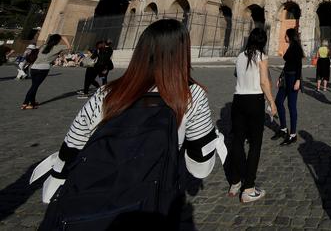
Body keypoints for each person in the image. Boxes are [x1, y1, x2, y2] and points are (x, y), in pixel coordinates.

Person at [31, 19, 225, 219]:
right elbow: (200, 165)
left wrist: (58, 176)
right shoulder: (189, 95)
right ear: (183, 53)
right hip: (152, 197)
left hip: (91, 195)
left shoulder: (106, 92)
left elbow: (73, 144)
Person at [228, 28, 277, 203]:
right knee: (255, 144)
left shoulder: (240, 56)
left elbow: (237, 75)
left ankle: (235, 181)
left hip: (238, 100)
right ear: (263, 42)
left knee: (237, 141)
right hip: (254, 100)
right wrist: (271, 102)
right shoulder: (262, 57)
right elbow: (264, 81)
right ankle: (248, 188)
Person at [272, 28, 303, 146]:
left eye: (285, 35)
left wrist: (298, 81)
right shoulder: (290, 47)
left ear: (289, 36)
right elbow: (287, 64)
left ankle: (293, 134)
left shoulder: (296, 47)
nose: (284, 37)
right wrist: (280, 76)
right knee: (278, 101)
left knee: (291, 106)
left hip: (293, 78)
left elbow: (298, 66)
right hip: (286, 77)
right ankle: (284, 129)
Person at [21, 34, 68, 109]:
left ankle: (32, 103)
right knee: (34, 87)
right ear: (58, 41)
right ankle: (25, 103)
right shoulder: (58, 47)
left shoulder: (43, 46)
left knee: (34, 86)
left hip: (33, 68)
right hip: (43, 68)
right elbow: (69, 47)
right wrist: (64, 39)